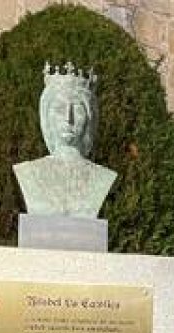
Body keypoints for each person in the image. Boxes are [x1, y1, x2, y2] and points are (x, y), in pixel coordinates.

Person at [13, 62, 116, 218]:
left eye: (78, 109)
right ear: (47, 116)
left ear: (89, 119)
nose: (69, 118)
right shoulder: (28, 172)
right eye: (60, 109)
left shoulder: (102, 177)